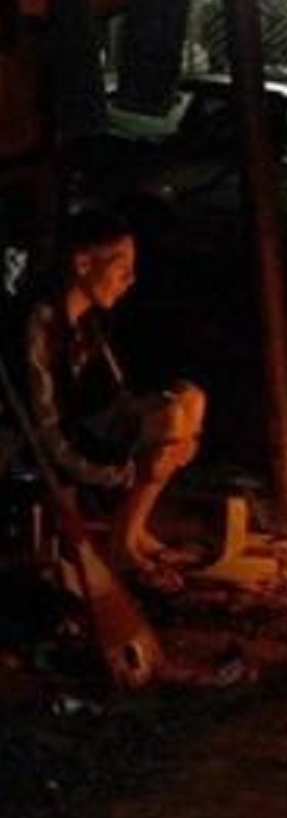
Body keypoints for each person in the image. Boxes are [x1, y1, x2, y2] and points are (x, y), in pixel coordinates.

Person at [22, 207, 205, 591]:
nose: (130, 279)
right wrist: (119, 472)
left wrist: (182, 440)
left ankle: (133, 532)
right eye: (121, 267)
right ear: (83, 263)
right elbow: (45, 427)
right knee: (168, 420)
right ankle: (122, 544)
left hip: (88, 430)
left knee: (188, 398)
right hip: (50, 446)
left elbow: (115, 396)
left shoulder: (88, 322)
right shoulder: (41, 324)